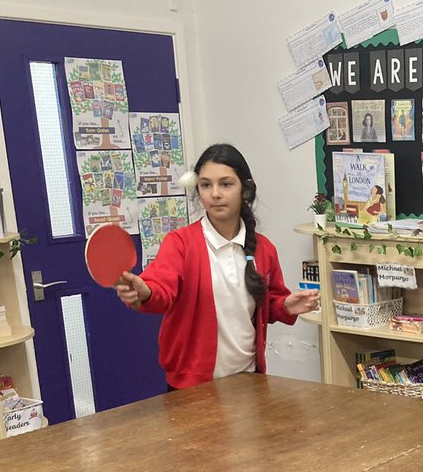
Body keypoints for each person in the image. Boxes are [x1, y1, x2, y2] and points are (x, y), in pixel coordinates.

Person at [115, 143, 319, 389]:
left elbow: (269, 302)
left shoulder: (264, 249)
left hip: (249, 379)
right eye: (205, 185)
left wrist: (286, 305)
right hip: (192, 387)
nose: (215, 194)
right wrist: (144, 292)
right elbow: (160, 290)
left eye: (226, 184)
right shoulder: (180, 243)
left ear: (245, 189)